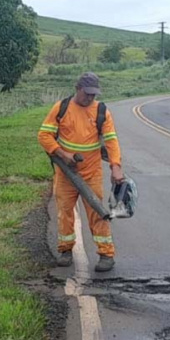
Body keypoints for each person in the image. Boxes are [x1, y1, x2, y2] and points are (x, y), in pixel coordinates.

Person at [38, 72, 123, 272]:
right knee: (65, 211)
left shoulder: (102, 111)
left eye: (94, 95)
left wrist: (115, 166)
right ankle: (65, 250)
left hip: (91, 171)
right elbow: (44, 135)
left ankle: (106, 255)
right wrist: (62, 154)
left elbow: (111, 141)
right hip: (66, 173)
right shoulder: (62, 108)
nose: (90, 98)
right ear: (77, 89)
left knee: (96, 212)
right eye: (87, 94)